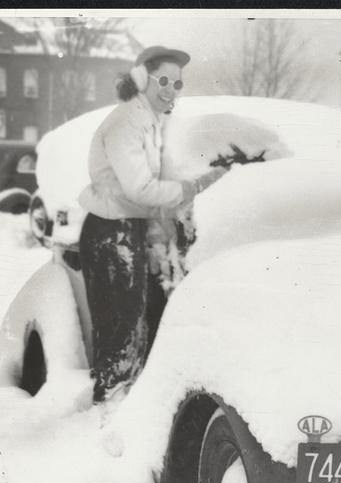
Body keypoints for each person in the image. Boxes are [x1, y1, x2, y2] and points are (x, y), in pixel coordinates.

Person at [78, 45, 227, 404]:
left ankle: (120, 409)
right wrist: (192, 187)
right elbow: (140, 188)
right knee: (121, 333)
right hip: (111, 234)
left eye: (177, 84)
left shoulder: (151, 121)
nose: (171, 90)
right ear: (142, 78)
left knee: (134, 328)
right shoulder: (128, 122)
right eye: (163, 80)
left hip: (129, 232)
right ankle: (107, 415)